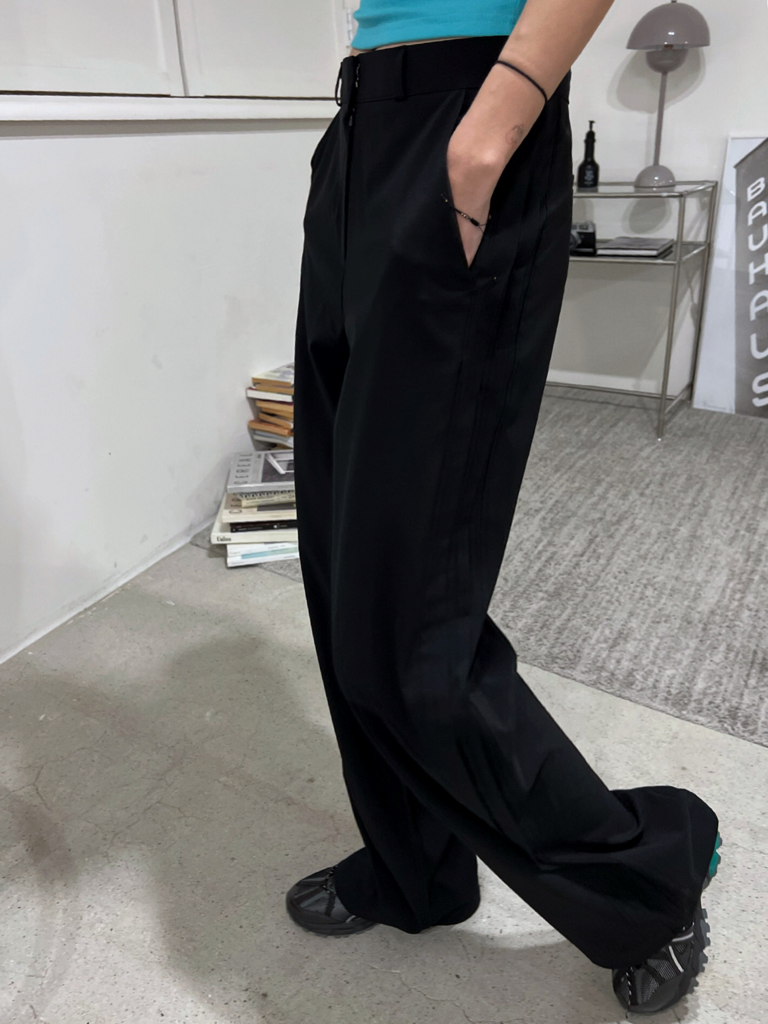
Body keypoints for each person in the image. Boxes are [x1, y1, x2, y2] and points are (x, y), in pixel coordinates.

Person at [288, 0, 721, 1014]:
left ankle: (648, 877)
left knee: (412, 630)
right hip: (362, 132)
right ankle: (415, 870)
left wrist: (490, 131)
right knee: (343, 566)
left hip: (475, 110)